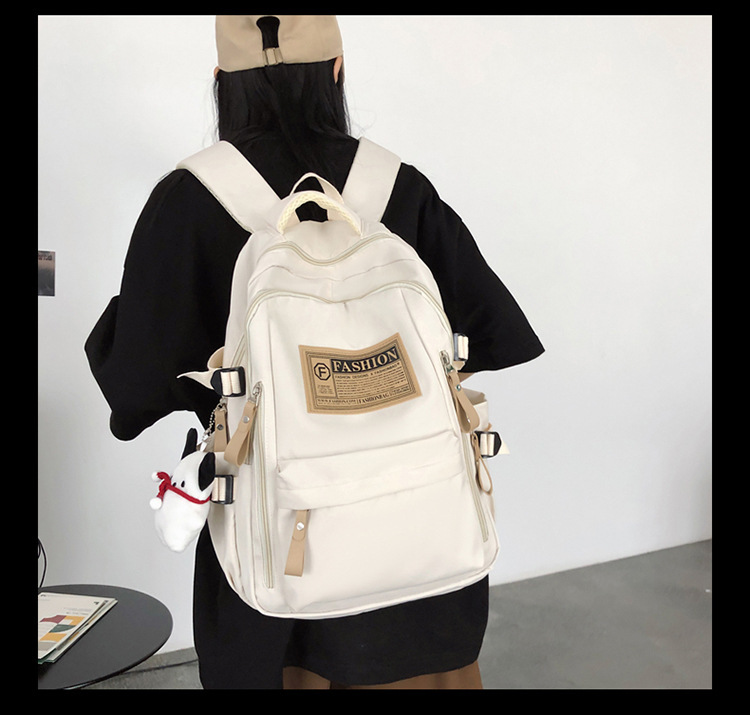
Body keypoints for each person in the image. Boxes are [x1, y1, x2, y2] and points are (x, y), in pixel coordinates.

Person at [85, 15, 544, 689]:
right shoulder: (398, 186)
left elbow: (135, 390)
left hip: (275, 572)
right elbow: (494, 333)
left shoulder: (186, 200)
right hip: (423, 566)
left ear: (221, 82)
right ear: (337, 71)